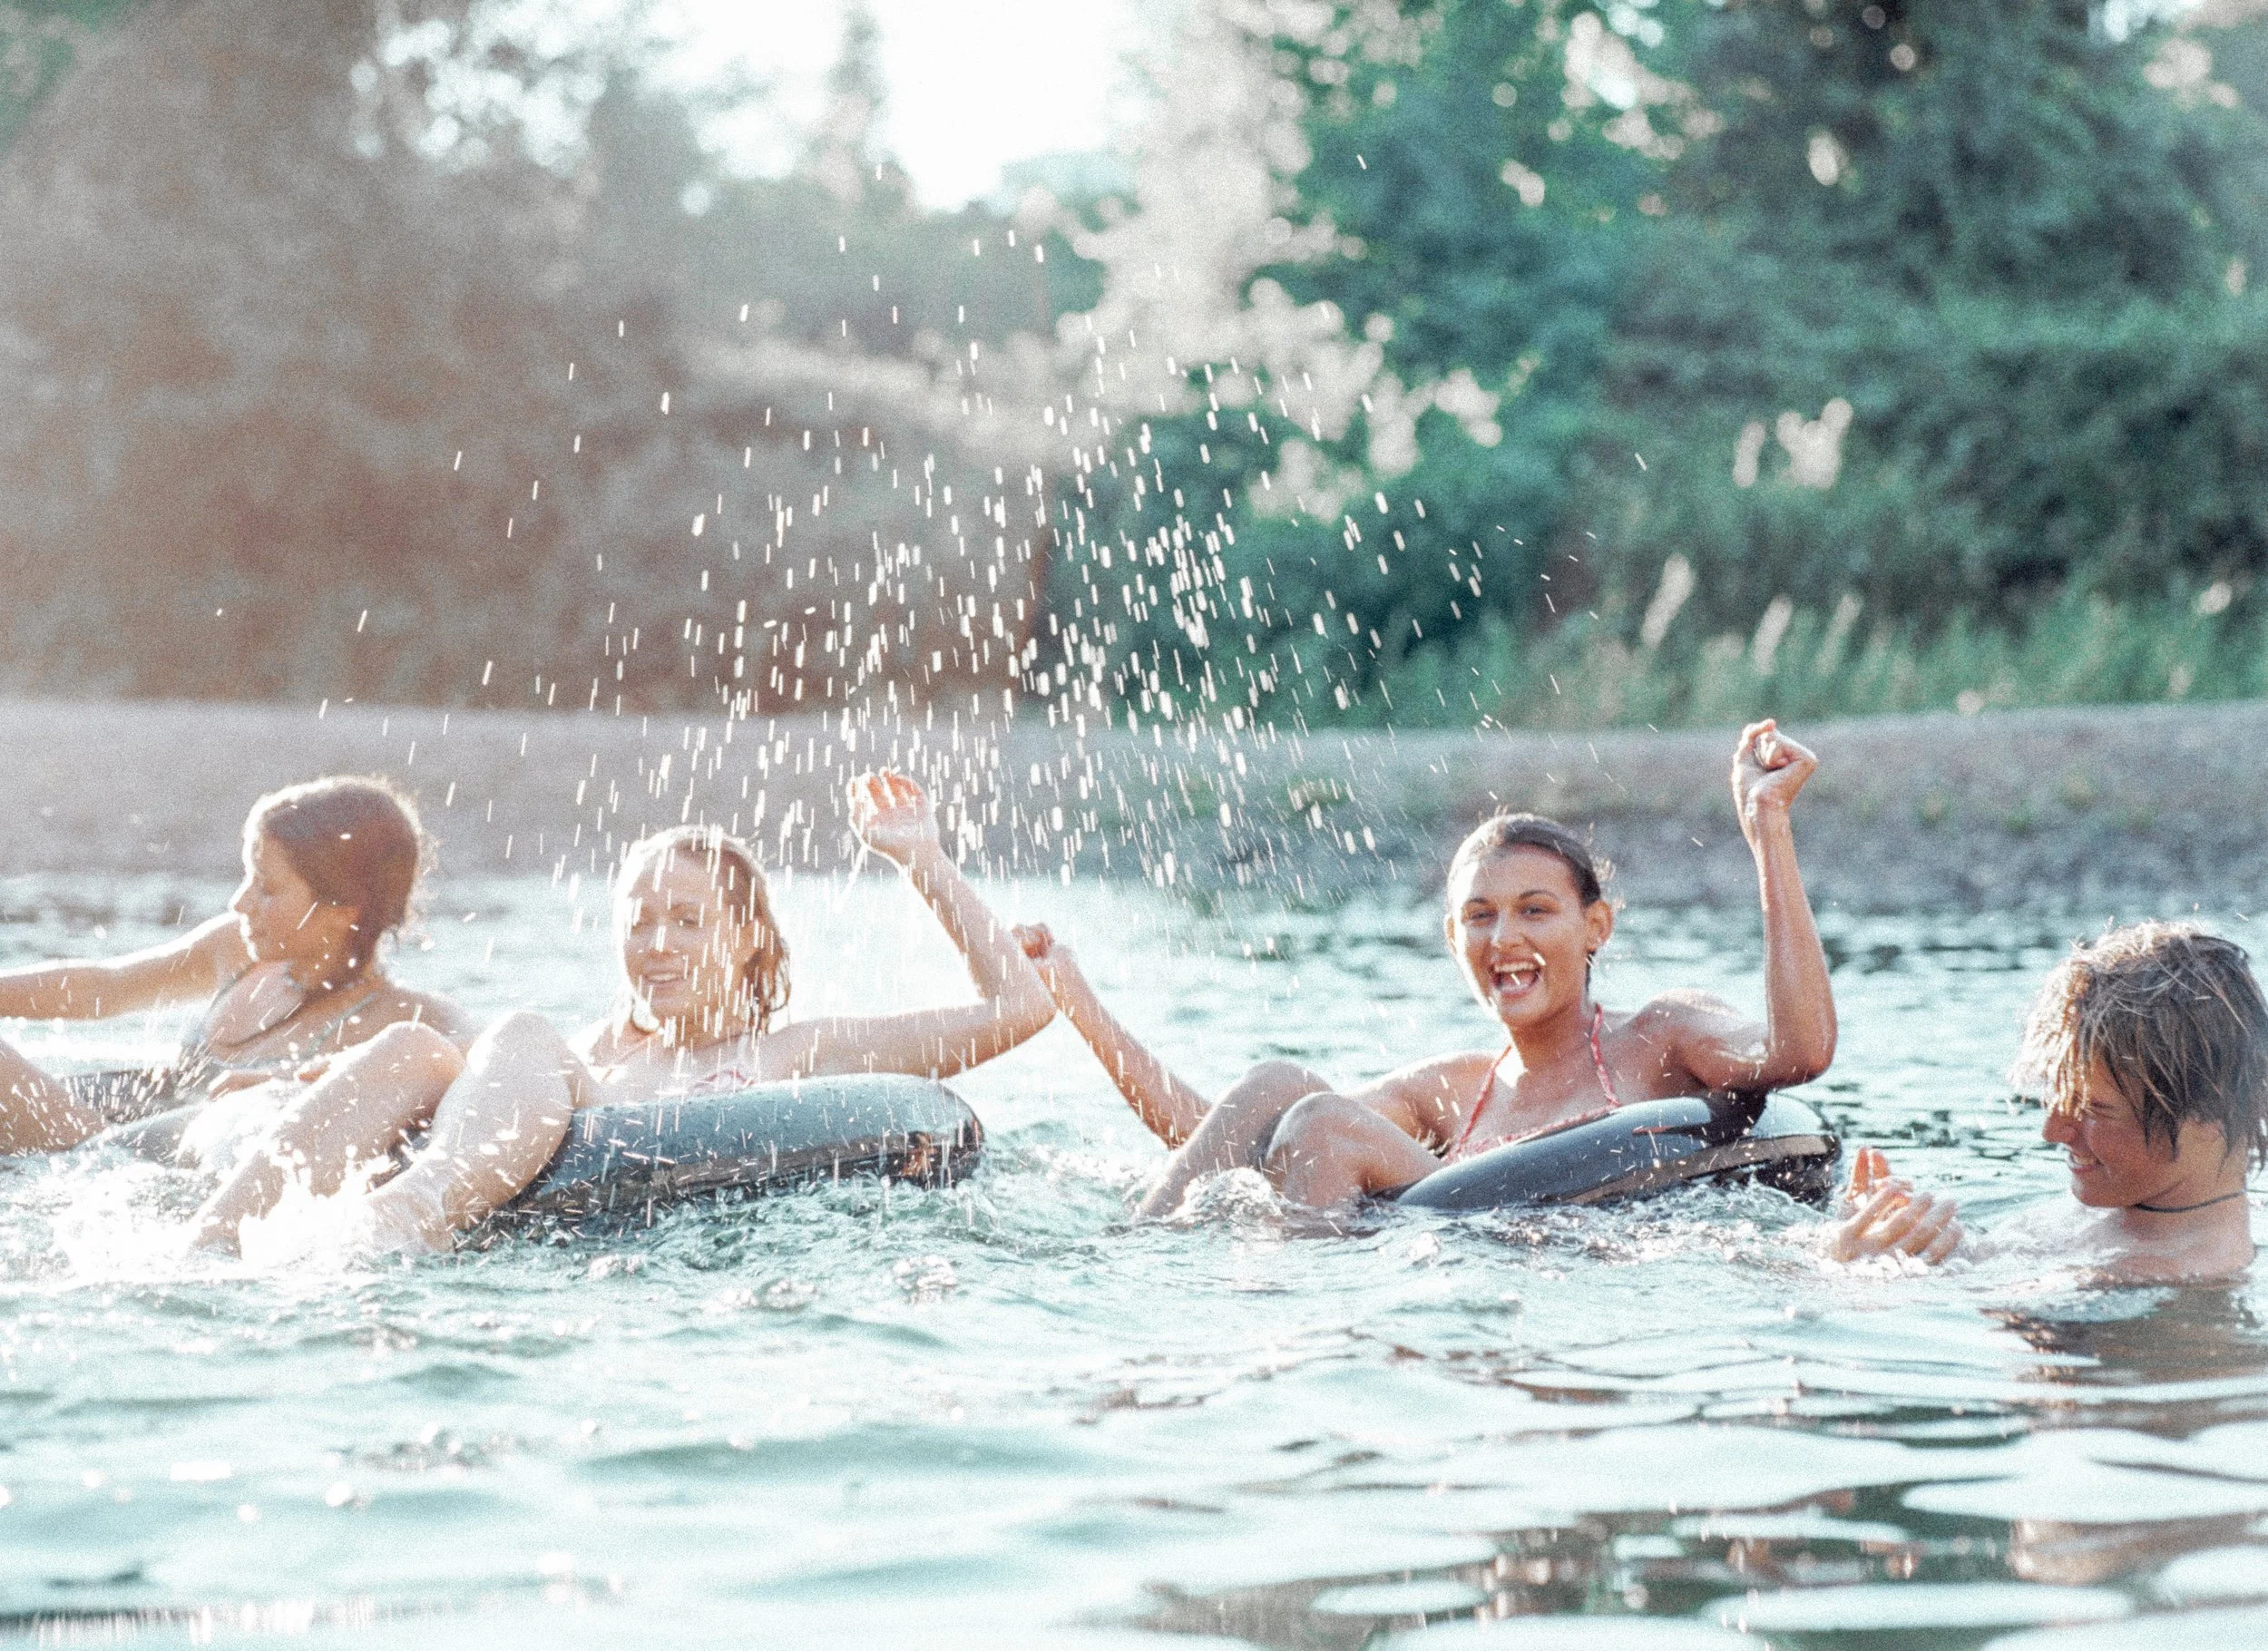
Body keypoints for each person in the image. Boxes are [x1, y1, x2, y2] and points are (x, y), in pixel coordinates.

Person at [189, 769, 1054, 1252]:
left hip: (643, 1236)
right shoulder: (589, 1048)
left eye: (688, 920)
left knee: (516, 1031)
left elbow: (1020, 1008)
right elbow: (467, 1076)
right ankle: (210, 1245)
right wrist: (286, 1081)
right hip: (517, 1220)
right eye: (639, 921)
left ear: (750, 937)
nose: (658, 944)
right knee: (423, 1044)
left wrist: (921, 859)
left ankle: (408, 1218)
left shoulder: (797, 1053)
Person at [1016, 719, 1841, 1217]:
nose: (1504, 938)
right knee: (1277, 1087)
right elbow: (1221, 1136)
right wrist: (1079, 1002)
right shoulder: (1449, 1091)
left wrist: (1767, 826)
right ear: (1454, 943)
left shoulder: (1660, 1037)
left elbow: (1797, 1050)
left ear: (1596, 926)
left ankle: (1270, 1317)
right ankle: (1137, 1264)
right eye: (1478, 918)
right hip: (1420, 1250)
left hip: (1561, 1265)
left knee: (1323, 1121)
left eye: (1535, 910)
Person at [0, 776, 471, 1158]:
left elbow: (480, 1064)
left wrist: (289, 1079)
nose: (240, 902)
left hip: (128, 1171)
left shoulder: (406, 1018)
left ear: (344, 907)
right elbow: (106, 987)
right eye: (247, 877)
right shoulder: (236, 951)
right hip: (102, 1139)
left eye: (268, 888)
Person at [1830, 922, 2264, 1282]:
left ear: (2211, 1116)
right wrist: (1902, 1237)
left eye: (2094, 1109)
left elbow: (2014, 1371)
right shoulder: (2130, 1212)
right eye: (2058, 1095)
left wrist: (1846, 1270)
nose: (2053, 1131)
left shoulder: (2141, 1280)